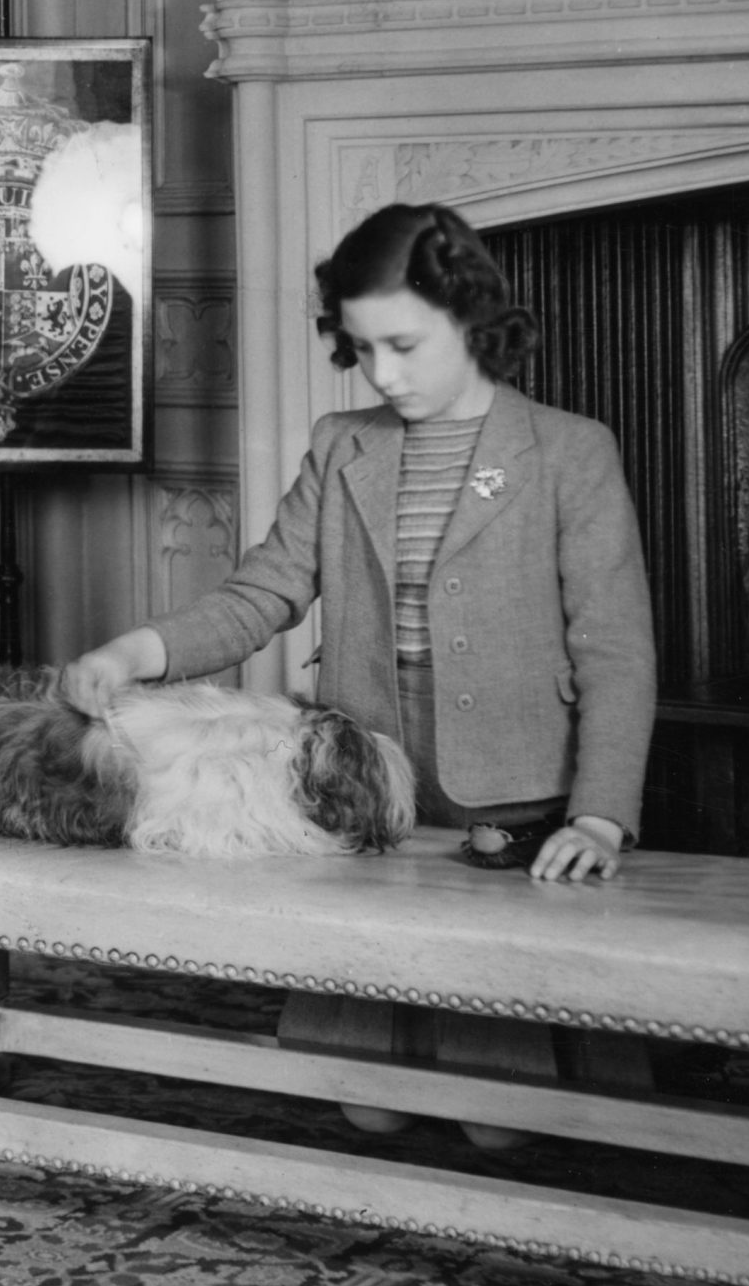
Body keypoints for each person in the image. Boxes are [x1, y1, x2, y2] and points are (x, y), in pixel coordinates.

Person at [59, 201, 657, 1147]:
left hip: (517, 809)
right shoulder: (345, 446)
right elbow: (259, 593)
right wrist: (133, 653)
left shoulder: (569, 452)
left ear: (473, 318)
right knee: (366, 1103)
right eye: (364, 348)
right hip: (370, 796)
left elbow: (616, 650)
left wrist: (598, 813)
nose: (384, 374)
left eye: (407, 346)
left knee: (497, 1122)